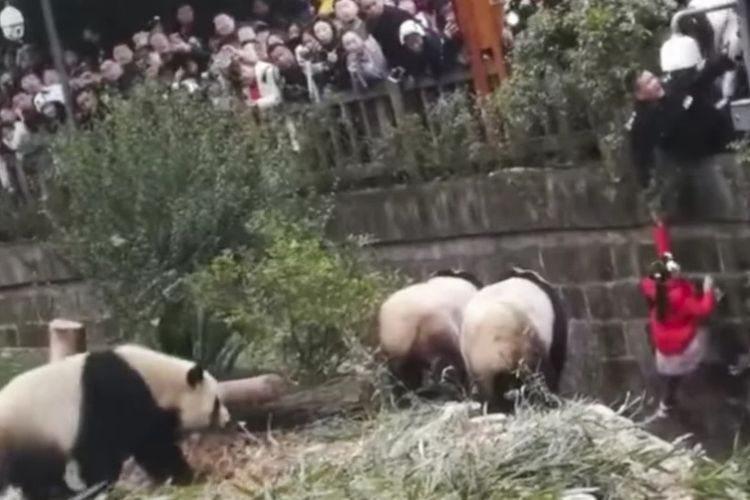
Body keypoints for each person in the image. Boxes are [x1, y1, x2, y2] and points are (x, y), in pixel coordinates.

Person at [626, 36, 737, 223]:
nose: (656, 83)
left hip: (720, 140)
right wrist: (648, 188)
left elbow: (702, 76)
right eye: (649, 83)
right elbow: (640, 157)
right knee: (723, 207)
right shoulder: (642, 121)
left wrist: (725, 59)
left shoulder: (674, 86)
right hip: (690, 161)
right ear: (639, 94)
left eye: (654, 78)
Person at [640, 222, 716, 414]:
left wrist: (661, 227)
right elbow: (703, 309)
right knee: (706, 334)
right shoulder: (681, 298)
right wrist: (708, 291)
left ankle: (666, 402)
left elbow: (663, 251)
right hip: (682, 344)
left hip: (664, 342)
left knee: (672, 377)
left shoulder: (655, 287)